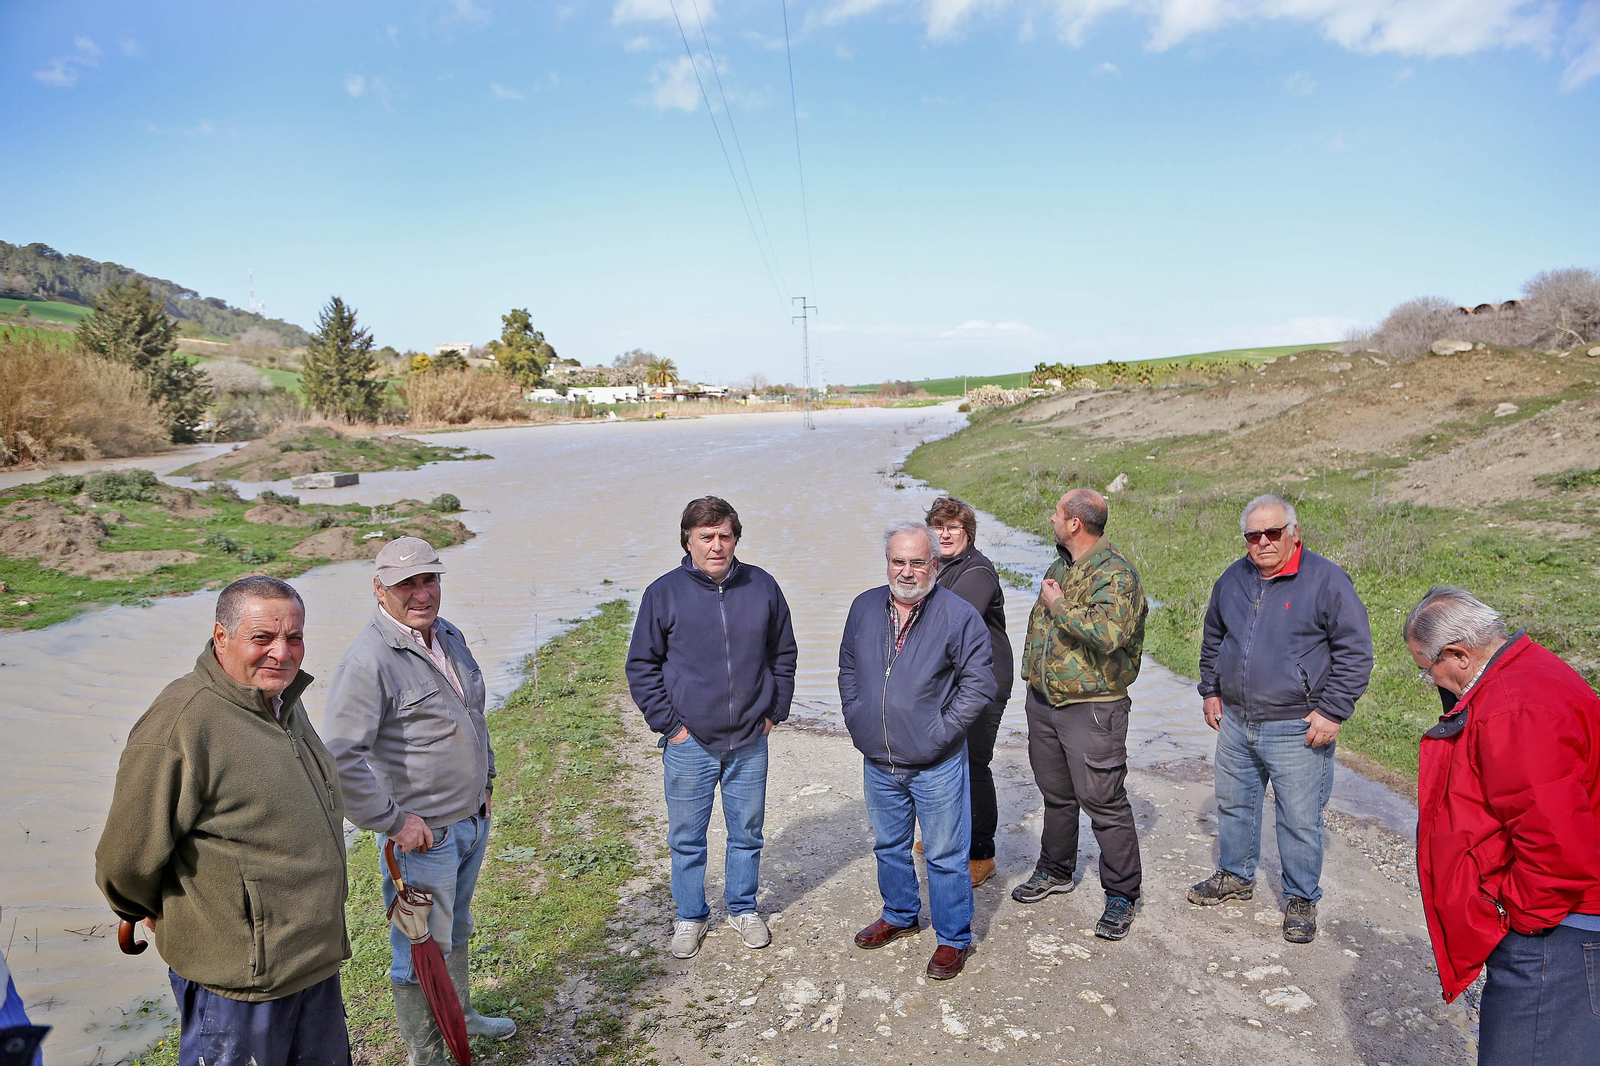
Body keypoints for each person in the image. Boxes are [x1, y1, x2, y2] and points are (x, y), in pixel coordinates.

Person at [96, 577, 350, 1066]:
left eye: (294, 637)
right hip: (240, 984)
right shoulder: (181, 724)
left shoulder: (280, 702)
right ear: (221, 637)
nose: (282, 652)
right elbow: (125, 859)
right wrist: (143, 908)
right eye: (262, 638)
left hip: (311, 963)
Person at [322, 537, 513, 1065]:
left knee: (458, 929)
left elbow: (471, 712)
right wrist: (392, 822)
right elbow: (340, 757)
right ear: (380, 589)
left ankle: (462, 1017)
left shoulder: (445, 635)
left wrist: (487, 781)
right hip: (422, 838)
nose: (422, 592)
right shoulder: (368, 660)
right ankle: (426, 1056)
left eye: (429, 579)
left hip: (470, 819)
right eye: (407, 583)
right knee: (417, 949)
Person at [1406, 586, 1600, 1064]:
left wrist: (1518, 921)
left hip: (1555, 935)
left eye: (1427, 669)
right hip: (1563, 926)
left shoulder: (1514, 707)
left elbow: (1559, 848)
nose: (1432, 681)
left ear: (1459, 655)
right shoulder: (1529, 671)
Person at [1190, 494, 1373, 945]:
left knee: (1299, 817)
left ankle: (1300, 898)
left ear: (1293, 533)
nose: (1264, 543)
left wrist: (1332, 711)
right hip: (1235, 718)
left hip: (1297, 725)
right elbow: (1214, 638)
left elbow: (1356, 652)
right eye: (1254, 536)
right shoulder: (1233, 579)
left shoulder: (1326, 580)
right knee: (1234, 802)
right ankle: (1235, 875)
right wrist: (1211, 690)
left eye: (1273, 533)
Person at [627, 497, 798, 961]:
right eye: (706, 537)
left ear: (735, 538)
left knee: (747, 830)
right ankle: (691, 916)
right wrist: (670, 726)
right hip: (689, 743)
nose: (716, 545)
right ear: (688, 540)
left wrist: (773, 711)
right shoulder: (663, 593)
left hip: (749, 738)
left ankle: (742, 907)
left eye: (724, 535)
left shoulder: (761, 586)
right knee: (686, 836)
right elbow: (642, 666)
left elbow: (783, 653)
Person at [839, 521, 996, 980]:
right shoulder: (865, 606)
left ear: (935, 563)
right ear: (888, 562)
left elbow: (978, 683)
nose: (907, 572)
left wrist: (940, 732)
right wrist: (857, 717)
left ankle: (952, 939)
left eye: (917, 562)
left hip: (937, 763)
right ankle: (900, 915)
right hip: (878, 758)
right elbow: (848, 667)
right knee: (889, 845)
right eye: (898, 561)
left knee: (946, 854)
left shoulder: (958, 614)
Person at [1014, 489, 1147, 942]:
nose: (1051, 518)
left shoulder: (1117, 574)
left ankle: (1122, 895)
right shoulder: (1062, 566)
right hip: (1046, 703)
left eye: (1057, 513)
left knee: (1105, 802)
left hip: (1092, 708)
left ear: (1075, 523)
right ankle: (1055, 870)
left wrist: (1058, 605)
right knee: (1056, 794)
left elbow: (1108, 635)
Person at [925, 496, 1012, 887]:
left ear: (968, 533)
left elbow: (951, 622)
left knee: (974, 765)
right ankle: (945, 838)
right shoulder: (937, 566)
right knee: (944, 759)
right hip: (951, 679)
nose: (944, 533)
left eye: (953, 527)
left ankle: (982, 854)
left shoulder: (978, 572)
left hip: (984, 681)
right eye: (938, 526)